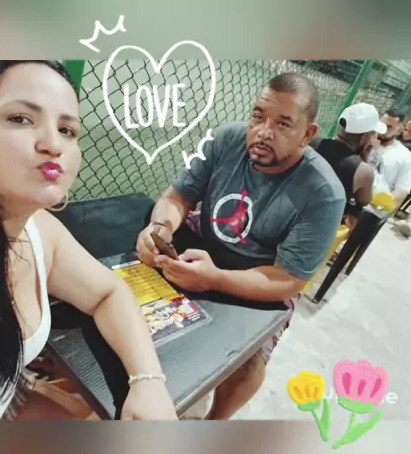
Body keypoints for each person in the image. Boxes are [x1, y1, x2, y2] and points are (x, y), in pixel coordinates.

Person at [0, 61, 177, 420]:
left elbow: (109, 292)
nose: (53, 144)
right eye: (20, 119)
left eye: (67, 130)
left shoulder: (40, 230)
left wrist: (148, 381)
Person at [136, 72, 346, 420]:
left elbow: (288, 279)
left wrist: (214, 278)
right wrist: (159, 228)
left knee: (248, 360)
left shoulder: (323, 193)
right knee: (134, 278)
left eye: (283, 124)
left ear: (308, 134)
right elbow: (177, 197)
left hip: (260, 275)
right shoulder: (225, 140)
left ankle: (215, 421)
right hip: (203, 238)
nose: (264, 131)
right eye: (258, 116)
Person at [309, 103, 383, 229]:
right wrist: (364, 157)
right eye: (372, 136)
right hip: (317, 227)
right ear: (363, 138)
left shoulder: (310, 142)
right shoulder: (363, 171)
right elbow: (365, 200)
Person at [368, 108, 411, 237]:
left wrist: (382, 200)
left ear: (399, 130)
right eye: (382, 124)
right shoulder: (364, 140)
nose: (383, 129)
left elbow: (402, 190)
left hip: (373, 212)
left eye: (389, 127)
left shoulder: (405, 156)